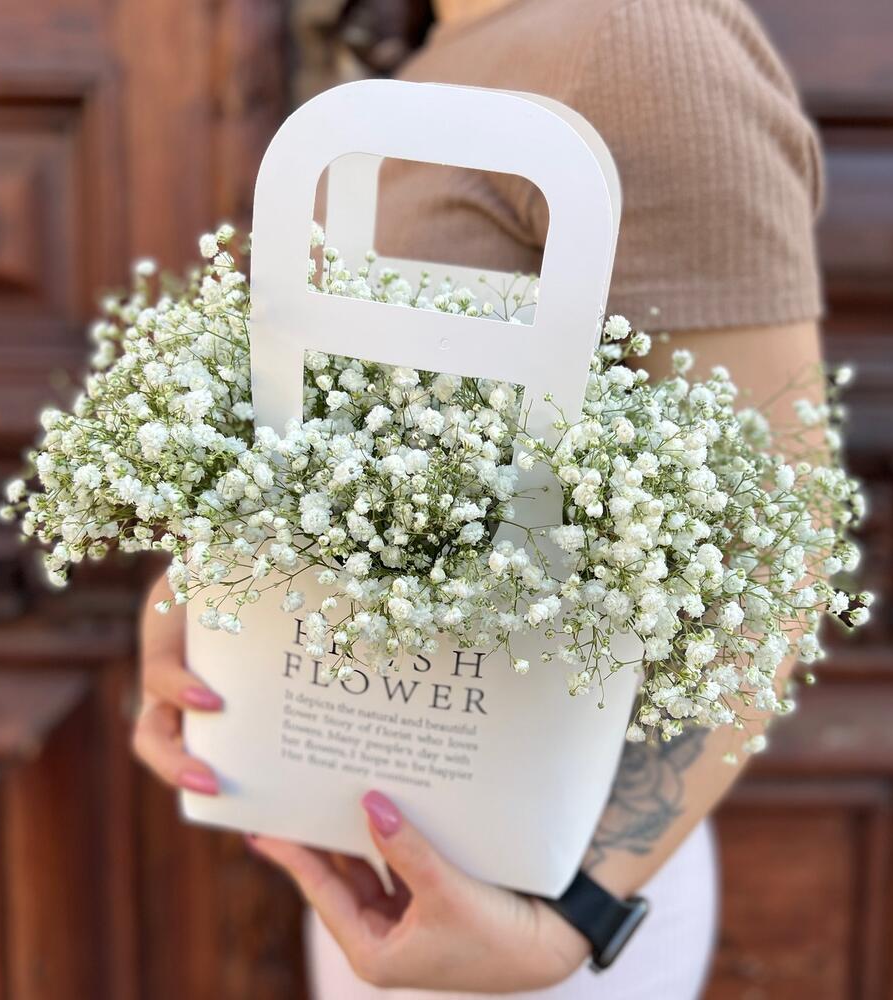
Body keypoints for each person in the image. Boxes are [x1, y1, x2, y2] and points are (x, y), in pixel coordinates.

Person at [133, 0, 827, 995]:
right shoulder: (441, 51)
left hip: (531, 906)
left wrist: (575, 914)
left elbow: (773, 536)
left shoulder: (633, 44)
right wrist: (220, 593)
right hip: (388, 859)